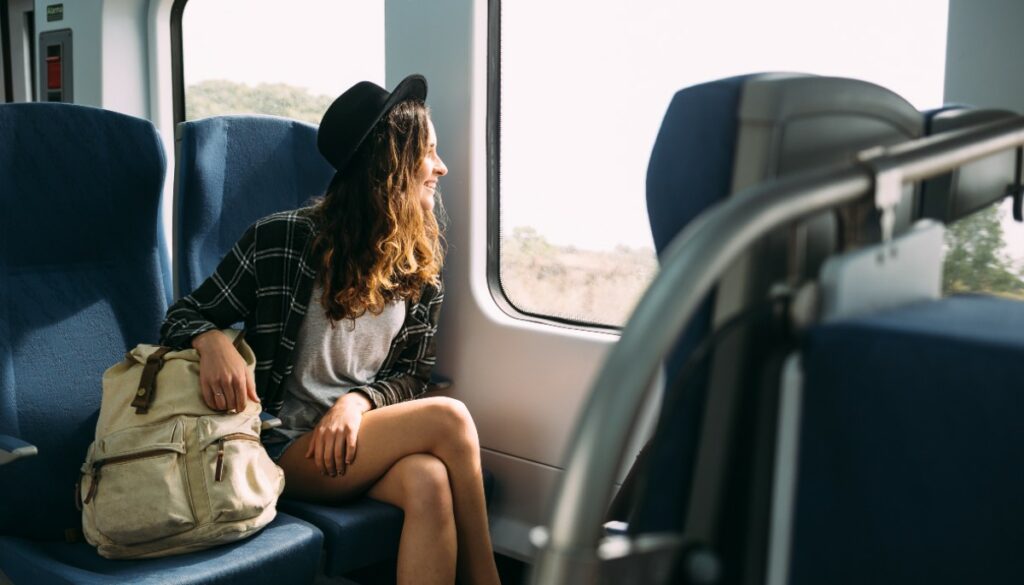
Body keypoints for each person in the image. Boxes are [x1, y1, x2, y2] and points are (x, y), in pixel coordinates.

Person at [160, 74, 501, 585]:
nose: (441, 167)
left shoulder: (417, 263)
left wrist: (356, 401)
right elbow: (179, 316)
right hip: (282, 448)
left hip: (356, 442)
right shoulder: (281, 241)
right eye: (428, 153)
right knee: (450, 420)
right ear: (392, 164)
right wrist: (210, 341)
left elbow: (412, 376)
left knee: (429, 481)